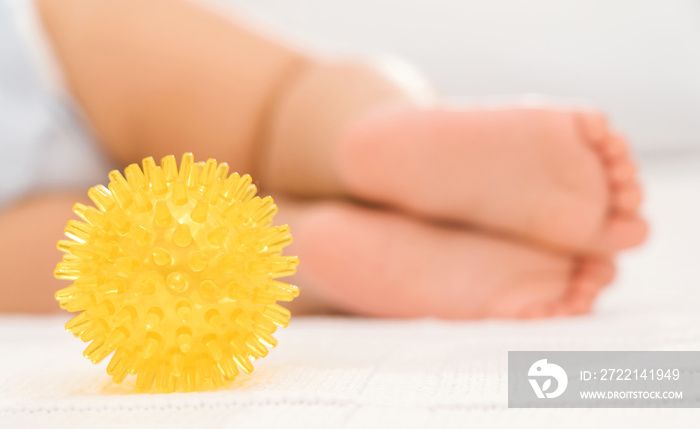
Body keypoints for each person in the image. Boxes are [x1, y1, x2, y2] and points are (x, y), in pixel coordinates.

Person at [0, 0, 647, 318]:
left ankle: (297, 252)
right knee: (277, 104)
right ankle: (366, 128)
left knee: (94, 255)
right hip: (35, 55)